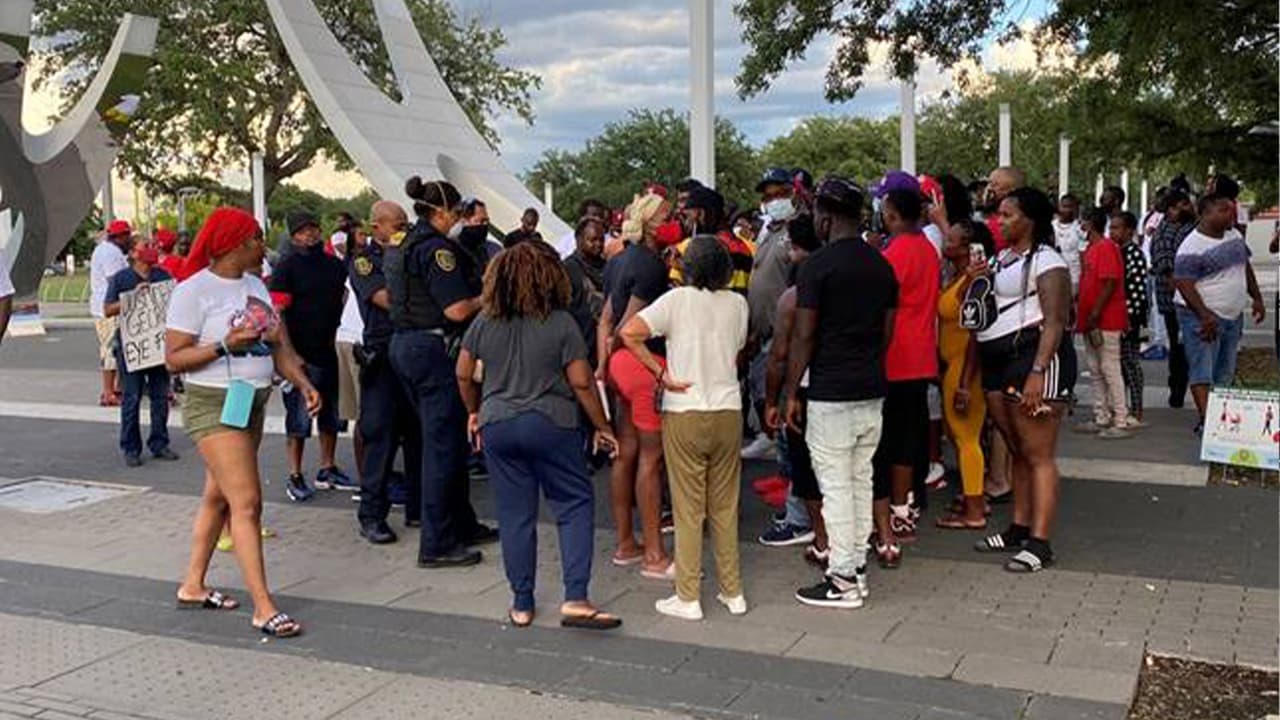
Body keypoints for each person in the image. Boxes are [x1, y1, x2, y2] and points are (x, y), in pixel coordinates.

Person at [166, 206, 317, 638]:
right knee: (246, 502)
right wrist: (225, 345)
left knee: (218, 497)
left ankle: (192, 585)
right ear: (236, 244)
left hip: (250, 402)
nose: (263, 247)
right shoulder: (193, 291)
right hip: (212, 404)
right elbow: (174, 357)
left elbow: (279, 346)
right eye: (256, 239)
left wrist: (303, 383)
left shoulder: (257, 286)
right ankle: (264, 607)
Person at [456, 242, 621, 630]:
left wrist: (474, 412)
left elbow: (463, 373)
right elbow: (581, 382)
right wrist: (602, 425)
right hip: (551, 422)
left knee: (515, 515)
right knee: (574, 502)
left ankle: (522, 602)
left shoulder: (483, 323)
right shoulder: (561, 322)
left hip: (498, 423)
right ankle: (576, 598)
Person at [620, 236, 750, 620]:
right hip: (728, 408)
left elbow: (630, 332)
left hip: (685, 409)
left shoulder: (676, 301)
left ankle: (689, 595)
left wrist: (660, 372)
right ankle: (733, 590)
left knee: (688, 507)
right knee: (725, 505)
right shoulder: (738, 304)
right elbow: (739, 347)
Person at [787, 177, 898, 609]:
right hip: (871, 387)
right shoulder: (881, 265)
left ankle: (843, 580)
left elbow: (805, 334)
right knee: (859, 481)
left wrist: (792, 389)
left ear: (826, 218)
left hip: (831, 391)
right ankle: (855, 569)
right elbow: (888, 332)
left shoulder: (817, 267)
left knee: (836, 486)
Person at [388, 177, 495, 568]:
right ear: (439, 212)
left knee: (444, 441)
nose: (459, 220)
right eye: (455, 212)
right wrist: (487, 296)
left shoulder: (406, 244)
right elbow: (456, 310)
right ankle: (437, 543)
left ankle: (461, 523)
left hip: (407, 345)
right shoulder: (436, 251)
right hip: (433, 349)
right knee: (443, 447)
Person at [972, 187, 1076, 573]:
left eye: (1008, 215)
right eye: (999, 215)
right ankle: (1019, 526)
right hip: (1001, 360)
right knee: (1017, 448)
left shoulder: (1048, 262)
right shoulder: (1002, 259)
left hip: (1033, 359)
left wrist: (1038, 371)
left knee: (1039, 454)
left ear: (1029, 219)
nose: (1000, 221)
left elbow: (1055, 320)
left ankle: (1040, 541)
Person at [597, 191, 674, 578]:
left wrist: (603, 364)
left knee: (625, 452)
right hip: (643, 364)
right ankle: (655, 556)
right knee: (651, 458)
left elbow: (606, 319)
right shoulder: (651, 267)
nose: (672, 221)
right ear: (651, 223)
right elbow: (630, 326)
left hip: (618, 367)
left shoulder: (617, 260)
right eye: (667, 216)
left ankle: (627, 543)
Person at [869, 185, 940, 567]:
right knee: (910, 437)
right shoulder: (928, 249)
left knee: (889, 441)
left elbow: (882, 305)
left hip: (894, 356)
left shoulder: (894, 254)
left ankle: (891, 513)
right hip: (921, 354)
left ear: (892, 215)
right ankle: (903, 507)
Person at [270, 212, 353, 500]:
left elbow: (345, 298)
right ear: (293, 236)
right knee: (298, 419)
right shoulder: (286, 267)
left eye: (313, 229)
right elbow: (277, 313)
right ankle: (295, 474)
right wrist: (288, 353)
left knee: (330, 415)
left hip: (329, 350)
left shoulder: (334, 265)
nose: (310, 235)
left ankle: (327, 467)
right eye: (303, 231)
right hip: (299, 355)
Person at [351, 201, 421, 544]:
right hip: (382, 354)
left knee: (418, 433)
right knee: (381, 436)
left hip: (412, 350)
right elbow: (386, 299)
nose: (403, 229)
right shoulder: (365, 260)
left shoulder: (413, 253)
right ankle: (372, 514)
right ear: (376, 226)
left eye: (406, 224)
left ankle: (418, 507)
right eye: (396, 224)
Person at [762, 215, 827, 565]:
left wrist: (776, 399)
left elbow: (780, 355)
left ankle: (809, 527)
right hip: (839, 385)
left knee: (802, 462)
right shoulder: (839, 277)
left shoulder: (795, 294)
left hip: (803, 390)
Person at [1173, 194, 1267, 430]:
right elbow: (1184, 284)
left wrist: (1256, 297)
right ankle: (1209, 422)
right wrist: (1204, 315)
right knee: (1203, 371)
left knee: (1225, 372)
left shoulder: (1234, 236)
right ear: (1205, 214)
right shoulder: (1191, 246)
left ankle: (1221, 422)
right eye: (1223, 210)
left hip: (1232, 317)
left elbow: (1245, 267)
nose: (1230, 214)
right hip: (1201, 317)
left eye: (1231, 209)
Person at [935, 220, 994, 529]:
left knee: (966, 437)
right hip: (954, 364)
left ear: (966, 247)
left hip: (965, 367)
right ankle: (975, 497)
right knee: (963, 438)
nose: (947, 242)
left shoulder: (974, 281)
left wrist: (963, 383)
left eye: (953, 239)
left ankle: (973, 511)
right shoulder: (961, 276)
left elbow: (975, 334)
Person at [103, 243, 178, 467]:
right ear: (134, 254)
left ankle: (159, 442)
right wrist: (132, 298)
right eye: (145, 246)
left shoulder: (162, 276)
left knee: (160, 396)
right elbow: (107, 309)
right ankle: (131, 447)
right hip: (131, 347)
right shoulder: (121, 278)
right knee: (131, 398)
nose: (151, 249)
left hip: (156, 347)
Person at [743, 168, 799, 464]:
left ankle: (786, 462)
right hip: (763, 330)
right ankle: (774, 445)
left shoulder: (797, 232)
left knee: (777, 394)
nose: (772, 201)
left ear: (792, 193)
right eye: (767, 197)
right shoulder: (769, 231)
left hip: (785, 332)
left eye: (779, 194)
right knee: (762, 389)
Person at [1074, 208, 1134, 438]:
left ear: (1090, 225)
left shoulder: (1106, 248)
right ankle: (1101, 414)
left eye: (1083, 224)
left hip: (1105, 318)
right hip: (1092, 318)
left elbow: (1109, 282)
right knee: (1095, 367)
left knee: (1109, 367)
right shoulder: (1091, 249)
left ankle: (1120, 417)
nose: (1080, 229)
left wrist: (1096, 312)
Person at [1150, 190, 1197, 407]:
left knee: (1189, 345)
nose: (1187, 208)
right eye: (1182, 205)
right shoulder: (1164, 231)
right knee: (1179, 346)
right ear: (1170, 210)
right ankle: (1177, 390)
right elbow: (1164, 263)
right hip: (1174, 298)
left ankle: (1187, 386)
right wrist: (1175, 284)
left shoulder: (1190, 227)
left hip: (1193, 295)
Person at [335, 224, 368, 497]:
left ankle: (369, 476)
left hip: (346, 335)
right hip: (358, 341)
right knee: (366, 414)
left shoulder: (358, 263)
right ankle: (367, 480)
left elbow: (345, 299)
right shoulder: (368, 262)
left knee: (361, 414)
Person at [91, 220, 133, 406]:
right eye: (127, 236)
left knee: (116, 348)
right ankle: (108, 392)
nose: (129, 240)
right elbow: (115, 280)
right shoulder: (111, 252)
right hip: (109, 307)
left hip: (106, 306)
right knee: (111, 348)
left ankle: (116, 388)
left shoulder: (105, 249)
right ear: (120, 237)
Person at [1113, 212, 1149, 424]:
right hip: (1119, 316)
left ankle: (1137, 408)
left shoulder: (1133, 253)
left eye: (1117, 228)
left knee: (1130, 363)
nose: (1112, 232)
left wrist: (1129, 318)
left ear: (1129, 230)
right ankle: (1123, 406)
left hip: (1130, 318)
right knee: (1120, 364)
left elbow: (1135, 290)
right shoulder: (1118, 252)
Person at [564, 216, 607, 363]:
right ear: (578, 239)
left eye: (602, 240)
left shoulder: (607, 267)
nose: (599, 244)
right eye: (593, 240)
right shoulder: (567, 269)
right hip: (579, 347)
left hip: (602, 347)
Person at [984, 167, 1026, 251]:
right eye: (988, 184)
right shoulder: (986, 219)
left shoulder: (1015, 224)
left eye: (995, 185)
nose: (989, 189)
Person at [1053, 194, 1085, 295]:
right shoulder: (1051, 227)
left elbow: (1082, 254)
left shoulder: (1080, 228)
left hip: (1074, 276)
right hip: (1055, 274)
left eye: (1070, 207)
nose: (1066, 210)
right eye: (1064, 206)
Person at [458, 198, 503, 270]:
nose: (485, 225)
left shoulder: (493, 249)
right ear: (464, 221)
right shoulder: (452, 247)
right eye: (481, 221)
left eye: (487, 221)